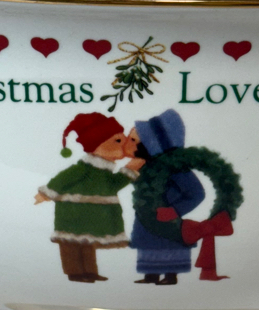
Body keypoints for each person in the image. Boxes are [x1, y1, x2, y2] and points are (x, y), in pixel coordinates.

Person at [35, 113, 143, 282]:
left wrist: (131, 168)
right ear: (96, 145)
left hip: (89, 214)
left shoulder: (105, 170)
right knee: (71, 245)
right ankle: (75, 272)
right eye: (118, 141)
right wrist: (46, 193)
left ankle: (90, 272)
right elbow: (63, 178)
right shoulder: (84, 168)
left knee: (87, 243)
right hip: (72, 213)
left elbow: (113, 186)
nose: (124, 145)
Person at [128, 109, 205, 285]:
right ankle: (151, 274)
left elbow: (196, 193)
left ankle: (170, 276)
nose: (135, 145)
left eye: (139, 141)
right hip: (146, 216)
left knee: (168, 244)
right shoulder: (146, 166)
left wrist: (175, 210)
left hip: (167, 218)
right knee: (149, 243)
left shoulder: (176, 168)